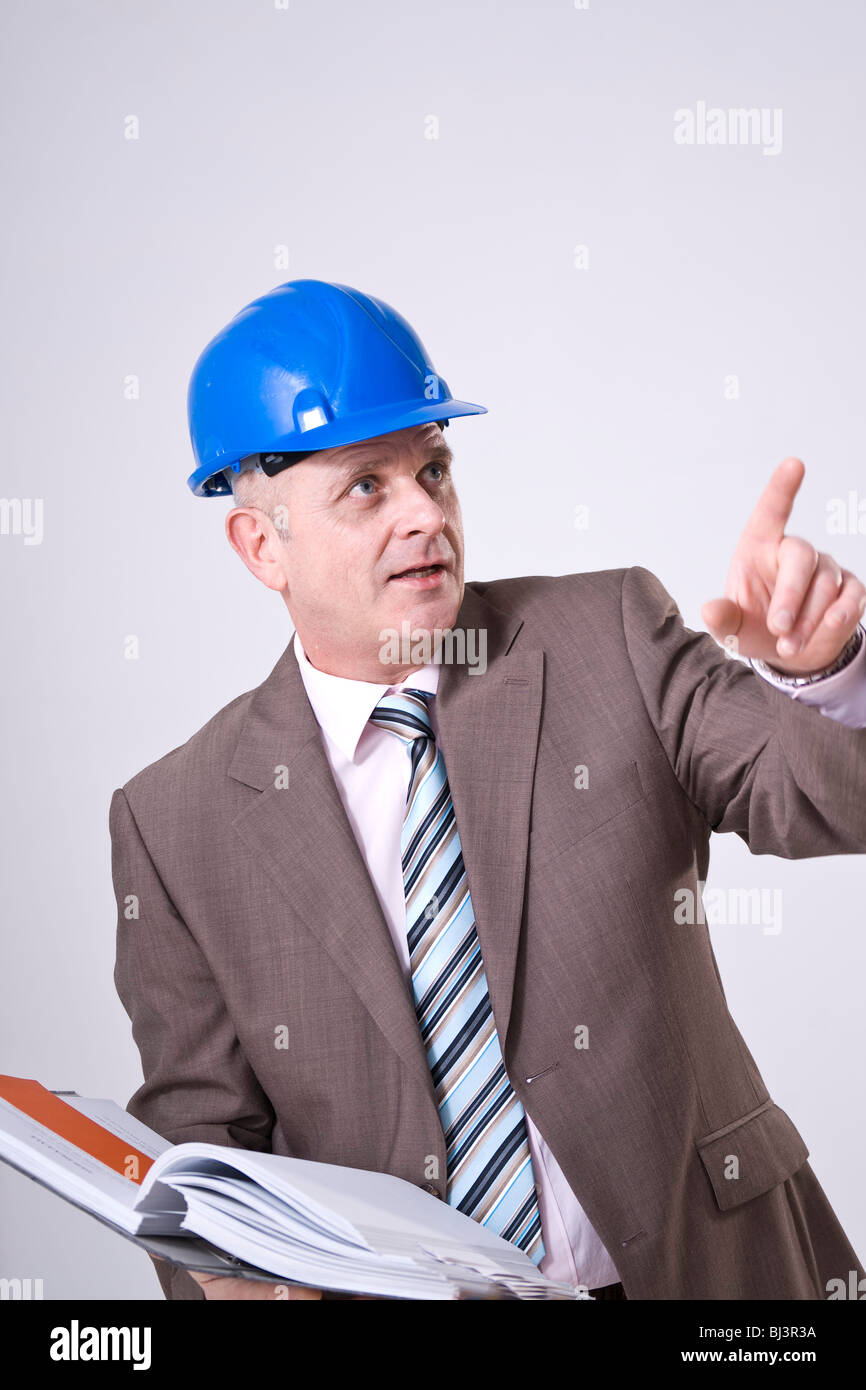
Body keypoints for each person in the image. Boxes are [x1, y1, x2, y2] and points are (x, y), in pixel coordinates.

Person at [111, 279, 866, 1301]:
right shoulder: (176, 821)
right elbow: (202, 1133)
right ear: (261, 546)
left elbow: (827, 797)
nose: (425, 513)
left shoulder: (606, 639)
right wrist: (223, 1276)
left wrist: (820, 676)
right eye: (366, 487)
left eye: (432, 468)